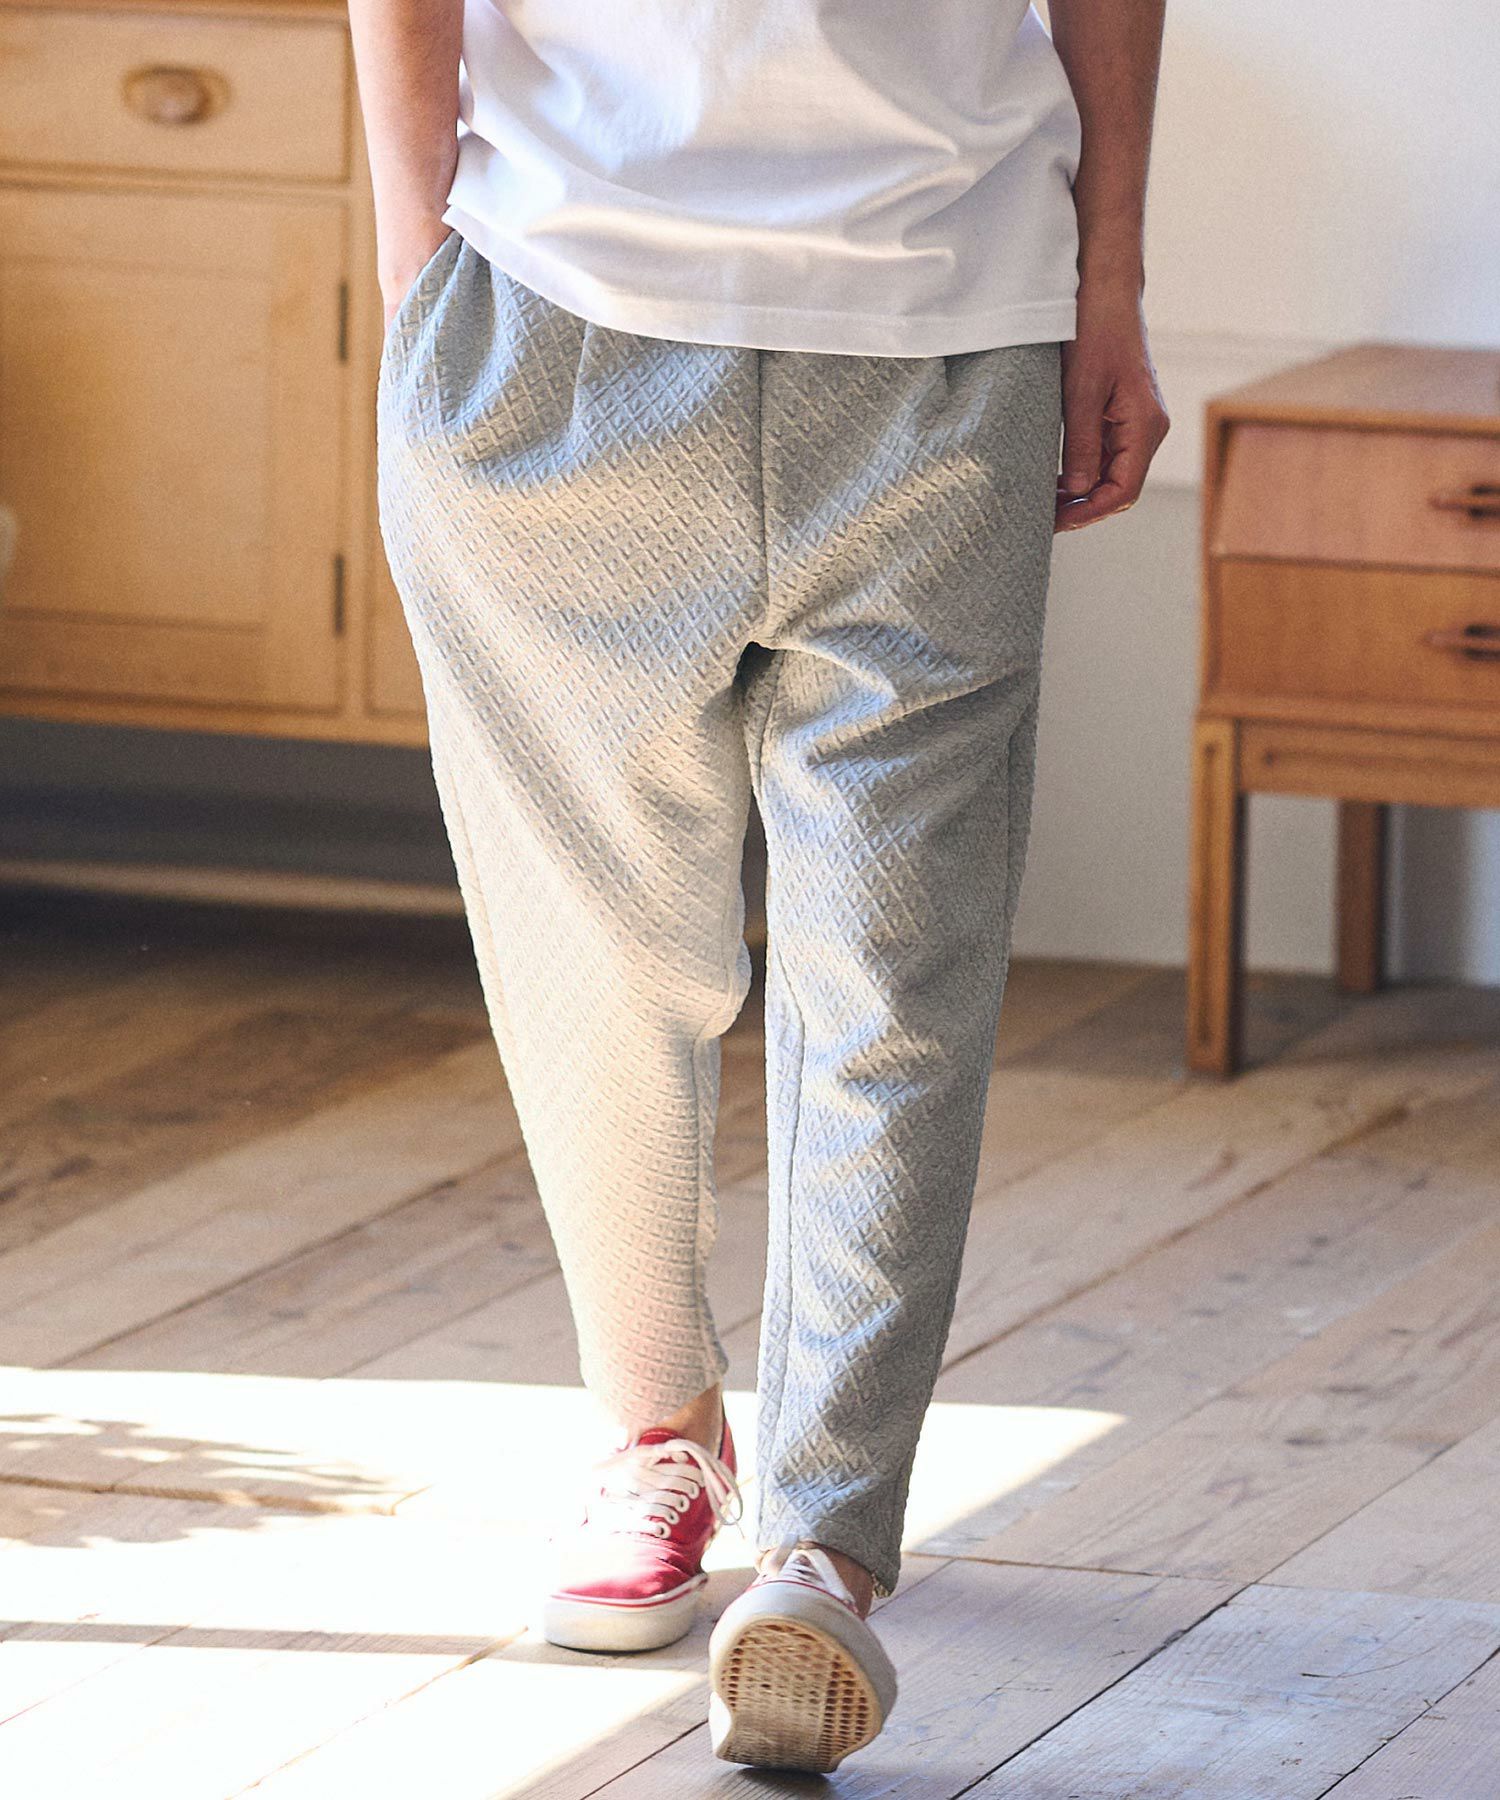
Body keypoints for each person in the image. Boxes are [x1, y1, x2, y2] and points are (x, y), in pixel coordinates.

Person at [348, 0, 1169, 1773]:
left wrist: (1109, 282)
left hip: (948, 335)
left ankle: (824, 1544)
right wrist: (420, 278)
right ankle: (656, 1428)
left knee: (899, 969)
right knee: (594, 956)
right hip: (561, 315)